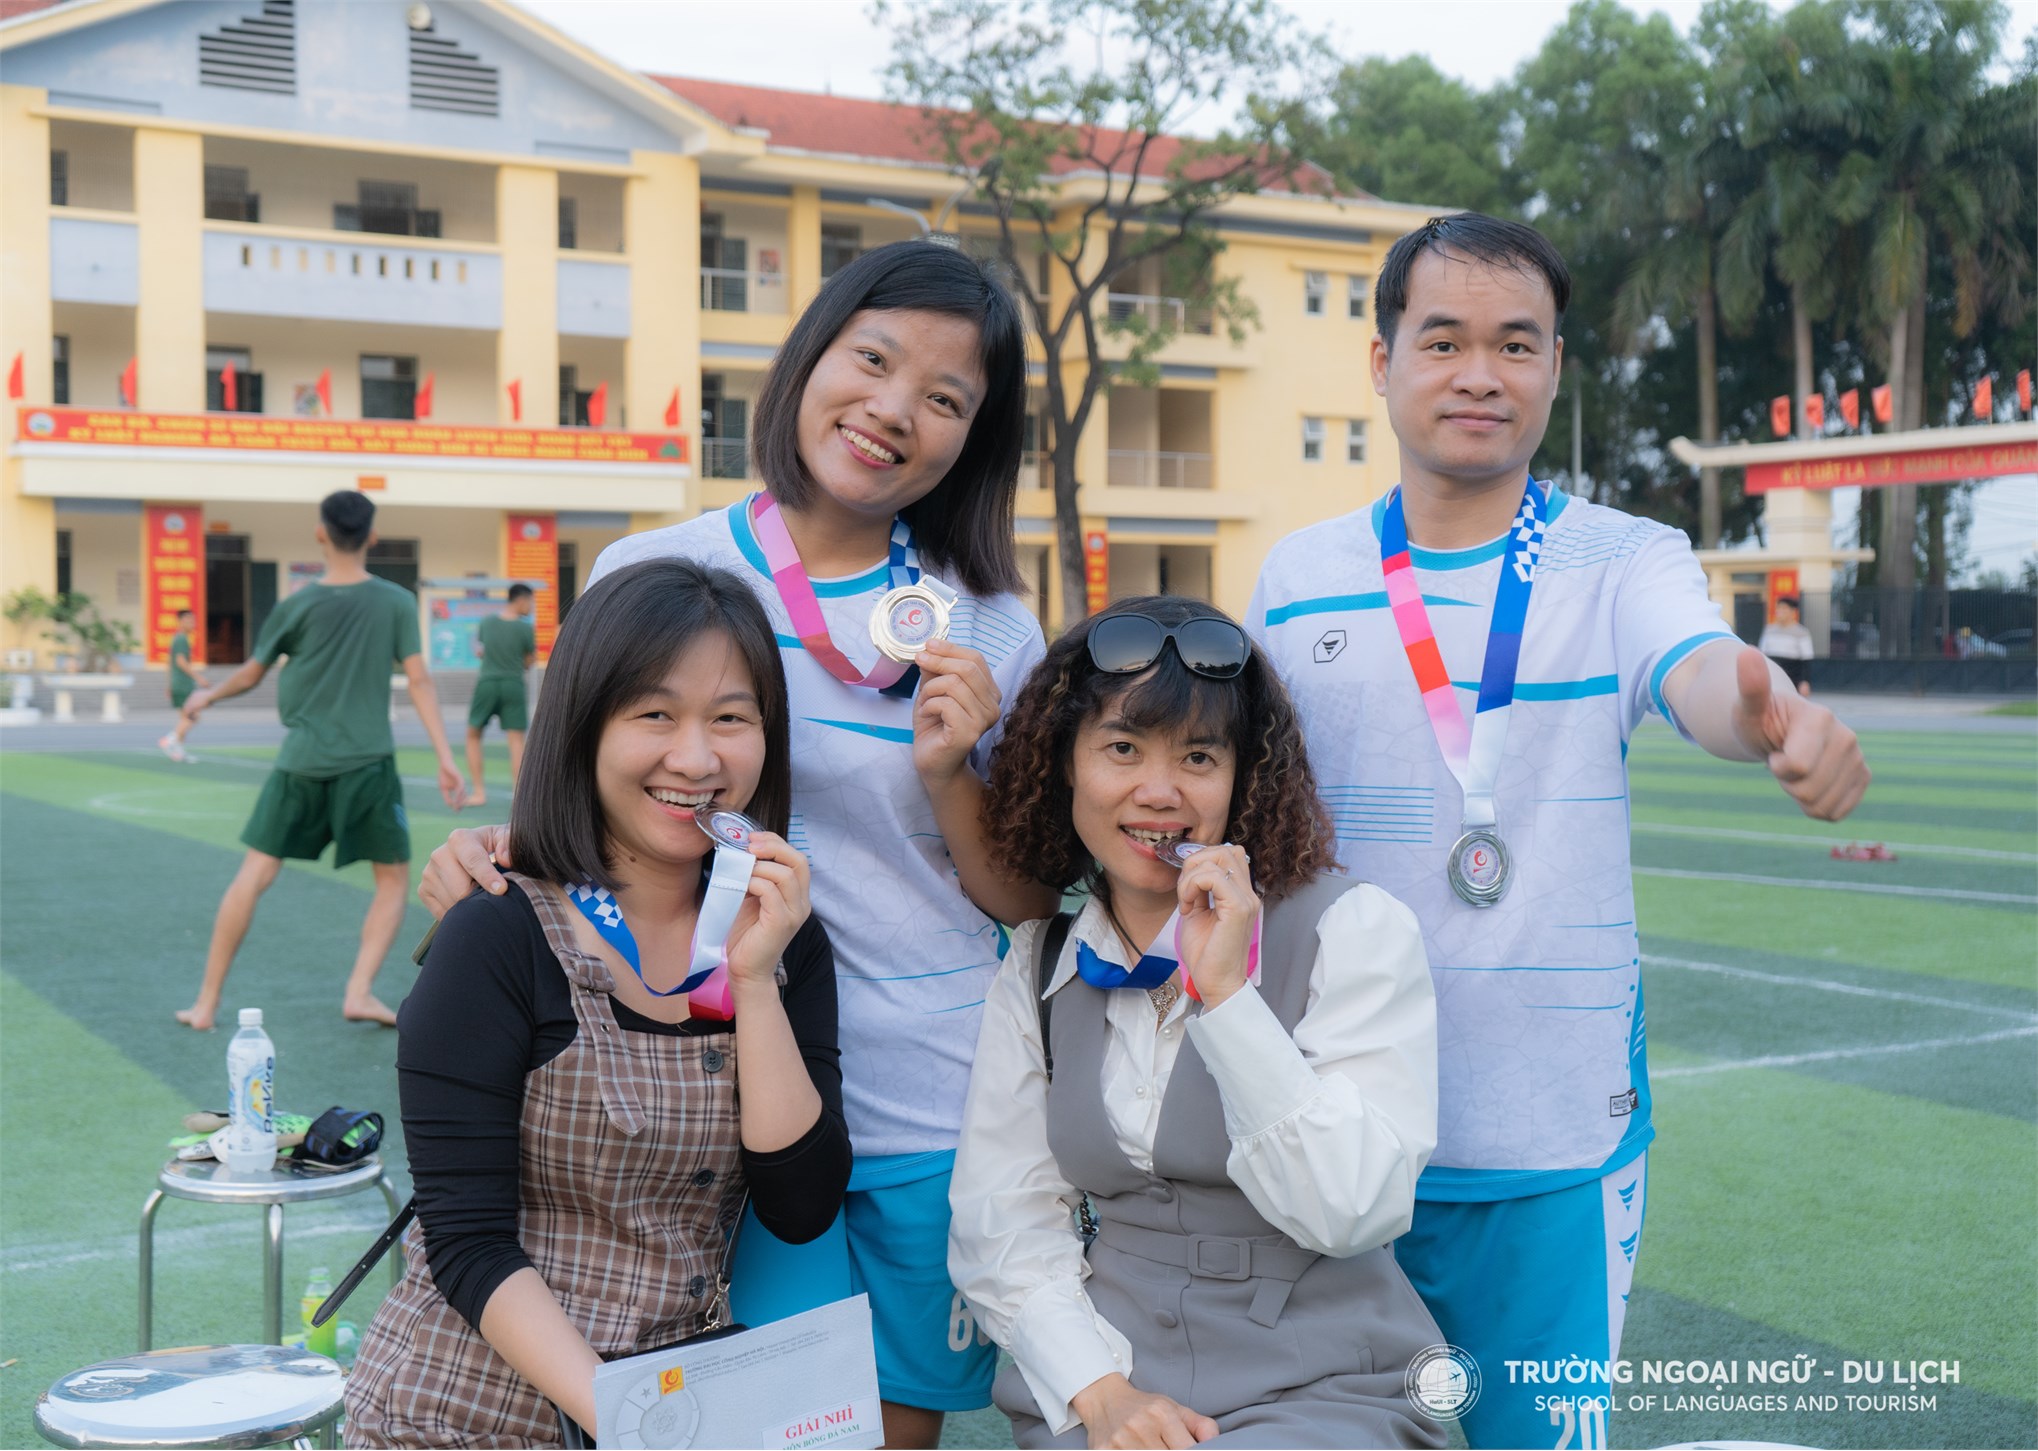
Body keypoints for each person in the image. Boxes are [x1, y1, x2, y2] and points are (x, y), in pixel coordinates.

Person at [1246, 213, 1871, 1449]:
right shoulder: (1297, 573)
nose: (1481, 372)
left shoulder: (1620, 557)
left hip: (1551, 1134)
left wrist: (1765, 711)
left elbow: (1694, 666)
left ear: (1553, 366)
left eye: (1516, 344)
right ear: (1381, 362)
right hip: (1336, 1133)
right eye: (1444, 340)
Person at [418, 240, 1057, 1448]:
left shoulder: (990, 624)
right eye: (871, 360)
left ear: (973, 436)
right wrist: (481, 853)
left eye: (943, 399)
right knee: (767, 1423)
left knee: (897, 1427)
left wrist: (947, 775)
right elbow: (572, 813)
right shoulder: (651, 568)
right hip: (713, 1095)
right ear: (809, 353)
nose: (890, 411)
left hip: (928, 1091)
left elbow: (1024, 894)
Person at [344, 558, 851, 1447]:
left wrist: (759, 980)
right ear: (583, 727)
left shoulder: (784, 935)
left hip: (674, 1399)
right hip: (471, 1410)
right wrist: (627, 1419)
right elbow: (468, 1243)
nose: (696, 758)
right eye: (654, 714)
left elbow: (800, 1205)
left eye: (731, 718)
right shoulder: (496, 933)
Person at [950, 596, 1446, 1450]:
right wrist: (1102, 1393)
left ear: (1242, 777)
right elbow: (1005, 1220)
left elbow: (1355, 1209)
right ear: (1064, 764)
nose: (1159, 791)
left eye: (1199, 755)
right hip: (1111, 1382)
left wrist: (1227, 1000)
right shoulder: (1037, 964)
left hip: (1323, 1383)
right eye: (1121, 748)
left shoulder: (1352, 929)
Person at [175, 490, 466, 1032]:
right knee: (392, 881)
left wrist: (204, 696)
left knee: (254, 874)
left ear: (320, 533)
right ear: (371, 537)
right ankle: (358, 991)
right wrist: (446, 758)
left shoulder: (297, 604)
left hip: (302, 762)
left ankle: (206, 1004)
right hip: (368, 765)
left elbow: (250, 674)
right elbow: (420, 679)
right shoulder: (397, 602)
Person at [464, 582, 538, 805]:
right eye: (531, 602)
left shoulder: (487, 622)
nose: (531, 607)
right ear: (521, 600)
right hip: (513, 684)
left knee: (473, 735)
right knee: (516, 740)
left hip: (487, 683)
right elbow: (529, 660)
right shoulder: (525, 628)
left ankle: (478, 792)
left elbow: (482, 651)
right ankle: (519, 795)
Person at [158, 607, 209, 761]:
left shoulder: (177, 638)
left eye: (193, 620)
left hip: (177, 684)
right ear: (180, 622)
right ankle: (170, 739)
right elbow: (180, 662)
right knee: (194, 716)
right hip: (184, 684)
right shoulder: (181, 639)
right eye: (188, 620)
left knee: (184, 719)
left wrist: (168, 684)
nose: (192, 623)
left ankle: (178, 751)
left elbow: (169, 663)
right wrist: (199, 678)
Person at [1759, 595, 1815, 697]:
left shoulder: (1801, 632)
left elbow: (1806, 660)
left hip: (1793, 678)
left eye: (1784, 608)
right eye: (1778, 608)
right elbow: (1762, 655)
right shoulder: (1769, 630)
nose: (1780, 611)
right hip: (1772, 678)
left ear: (1793, 612)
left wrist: (1805, 681)